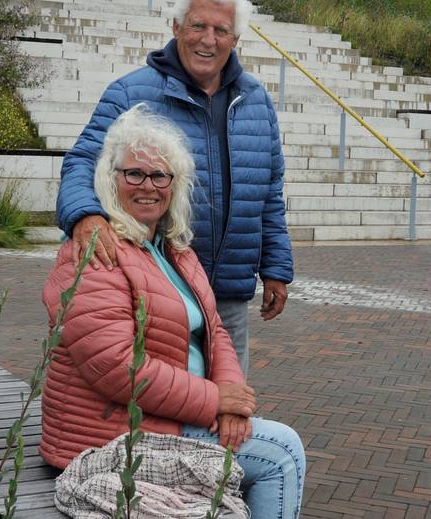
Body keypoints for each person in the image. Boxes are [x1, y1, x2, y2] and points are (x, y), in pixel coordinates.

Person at [42, 105, 305, 519]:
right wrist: (215, 400)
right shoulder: (96, 251)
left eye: (160, 175)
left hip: (174, 415)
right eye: (134, 173)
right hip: (112, 437)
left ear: (174, 185)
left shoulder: (174, 250)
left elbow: (215, 331)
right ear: (110, 180)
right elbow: (116, 366)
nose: (148, 185)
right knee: (280, 453)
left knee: (271, 448)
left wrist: (231, 402)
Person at [56, 0, 292, 374]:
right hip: (157, 288)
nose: (208, 39)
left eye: (221, 30)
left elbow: (268, 191)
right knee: (161, 405)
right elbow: (81, 161)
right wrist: (84, 214)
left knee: (228, 405)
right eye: (198, 25)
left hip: (229, 294)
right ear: (176, 27)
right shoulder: (131, 93)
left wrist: (275, 267)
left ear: (235, 39)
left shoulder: (256, 101)